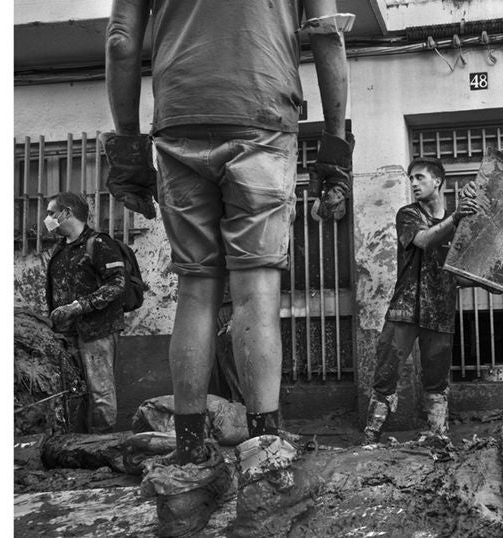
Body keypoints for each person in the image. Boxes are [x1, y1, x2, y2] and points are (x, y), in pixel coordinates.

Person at [104, 1, 355, 535]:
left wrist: (126, 143)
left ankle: (190, 470)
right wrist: (336, 143)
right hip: (262, 117)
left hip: (178, 118)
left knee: (195, 288)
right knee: (255, 293)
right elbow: (328, 35)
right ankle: (265, 471)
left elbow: (121, 40)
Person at [361, 157, 481, 445]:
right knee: (386, 374)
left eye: (419, 177)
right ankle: (370, 438)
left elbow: (459, 274)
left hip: (440, 311)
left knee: (437, 381)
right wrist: (456, 218)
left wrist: (488, 281)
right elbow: (424, 240)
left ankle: (439, 437)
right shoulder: (408, 214)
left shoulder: (459, 224)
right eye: (411, 178)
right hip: (405, 307)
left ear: (437, 181)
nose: (413, 183)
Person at [44, 192, 126, 434]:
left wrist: (80, 306)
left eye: (51, 213)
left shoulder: (98, 243)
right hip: (65, 335)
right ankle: (78, 443)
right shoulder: (61, 249)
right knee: (73, 390)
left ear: (66, 213)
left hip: (97, 331)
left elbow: (117, 284)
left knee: (101, 392)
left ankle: (102, 444)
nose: (47, 219)